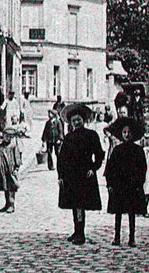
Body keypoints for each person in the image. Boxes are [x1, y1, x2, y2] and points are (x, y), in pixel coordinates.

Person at [57, 103, 105, 245]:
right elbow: (62, 158)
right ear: (70, 123)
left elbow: (99, 154)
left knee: (80, 204)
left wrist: (94, 168)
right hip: (71, 175)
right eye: (74, 121)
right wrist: (60, 176)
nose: (77, 123)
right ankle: (77, 230)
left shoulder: (91, 135)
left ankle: (81, 233)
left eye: (79, 120)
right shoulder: (68, 138)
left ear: (83, 120)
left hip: (85, 175)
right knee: (74, 204)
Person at [105, 117, 147, 247]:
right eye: (124, 132)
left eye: (129, 132)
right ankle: (117, 236)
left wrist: (139, 183)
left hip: (132, 185)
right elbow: (110, 168)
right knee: (118, 212)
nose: (127, 135)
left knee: (131, 212)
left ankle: (132, 237)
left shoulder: (138, 150)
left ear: (133, 134)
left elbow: (143, 168)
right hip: (119, 185)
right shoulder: (117, 150)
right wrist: (110, 184)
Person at [0, 127, 22, 213]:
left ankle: (11, 205)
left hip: (11, 170)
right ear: (3, 136)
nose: (8, 138)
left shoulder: (13, 146)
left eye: (10, 137)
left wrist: (16, 168)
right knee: (5, 187)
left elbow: (17, 157)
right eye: (7, 136)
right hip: (2, 170)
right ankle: (7, 204)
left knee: (11, 188)